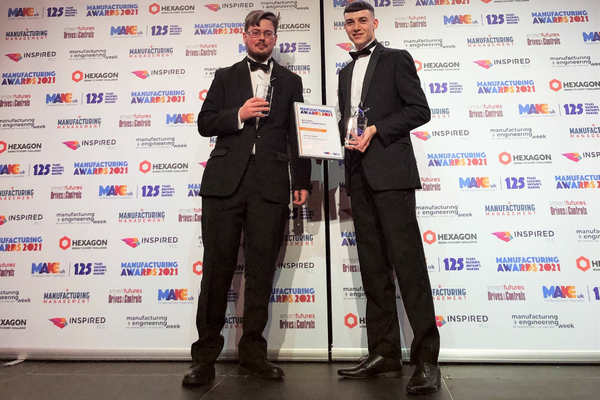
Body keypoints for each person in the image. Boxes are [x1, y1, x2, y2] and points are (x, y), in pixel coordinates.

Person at [182, 10, 311, 386]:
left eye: (268, 33)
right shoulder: (226, 76)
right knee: (216, 272)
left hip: (270, 185)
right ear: (245, 35)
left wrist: (301, 181)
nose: (262, 37)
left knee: (260, 274)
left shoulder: (291, 81)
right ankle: (204, 358)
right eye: (255, 32)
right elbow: (205, 122)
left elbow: (297, 134)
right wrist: (238, 114)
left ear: (275, 38)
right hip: (224, 185)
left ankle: (254, 354)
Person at [335, 1, 441, 395]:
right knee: (373, 268)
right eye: (350, 22)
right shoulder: (344, 73)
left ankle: (427, 359)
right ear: (344, 28)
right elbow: (347, 122)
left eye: (362, 20)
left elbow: (419, 110)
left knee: (409, 267)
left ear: (375, 24)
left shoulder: (397, 59)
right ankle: (384, 353)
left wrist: (377, 128)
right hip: (358, 177)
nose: (356, 27)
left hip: (392, 177)